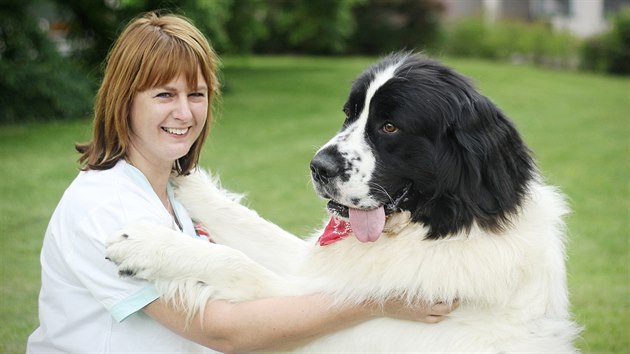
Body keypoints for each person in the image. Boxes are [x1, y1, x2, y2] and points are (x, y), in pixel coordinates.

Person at [26, 12, 457, 354]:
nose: (184, 113)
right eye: (163, 95)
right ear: (124, 102)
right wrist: (376, 301)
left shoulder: (174, 191)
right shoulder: (107, 207)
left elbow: (293, 276)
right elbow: (224, 333)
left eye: (196, 95)